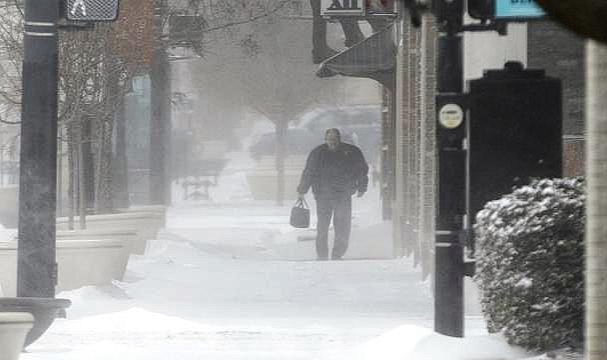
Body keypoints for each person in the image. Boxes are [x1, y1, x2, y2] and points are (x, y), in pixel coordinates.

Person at [297, 128, 369, 260]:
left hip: (343, 193)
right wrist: (302, 190)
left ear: (339, 139)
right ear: (325, 139)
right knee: (323, 225)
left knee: (342, 224)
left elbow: (361, 170)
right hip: (323, 194)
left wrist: (362, 187)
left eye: (334, 139)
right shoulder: (317, 153)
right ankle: (322, 254)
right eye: (330, 139)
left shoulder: (351, 152)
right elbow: (309, 172)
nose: (332, 142)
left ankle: (337, 253)